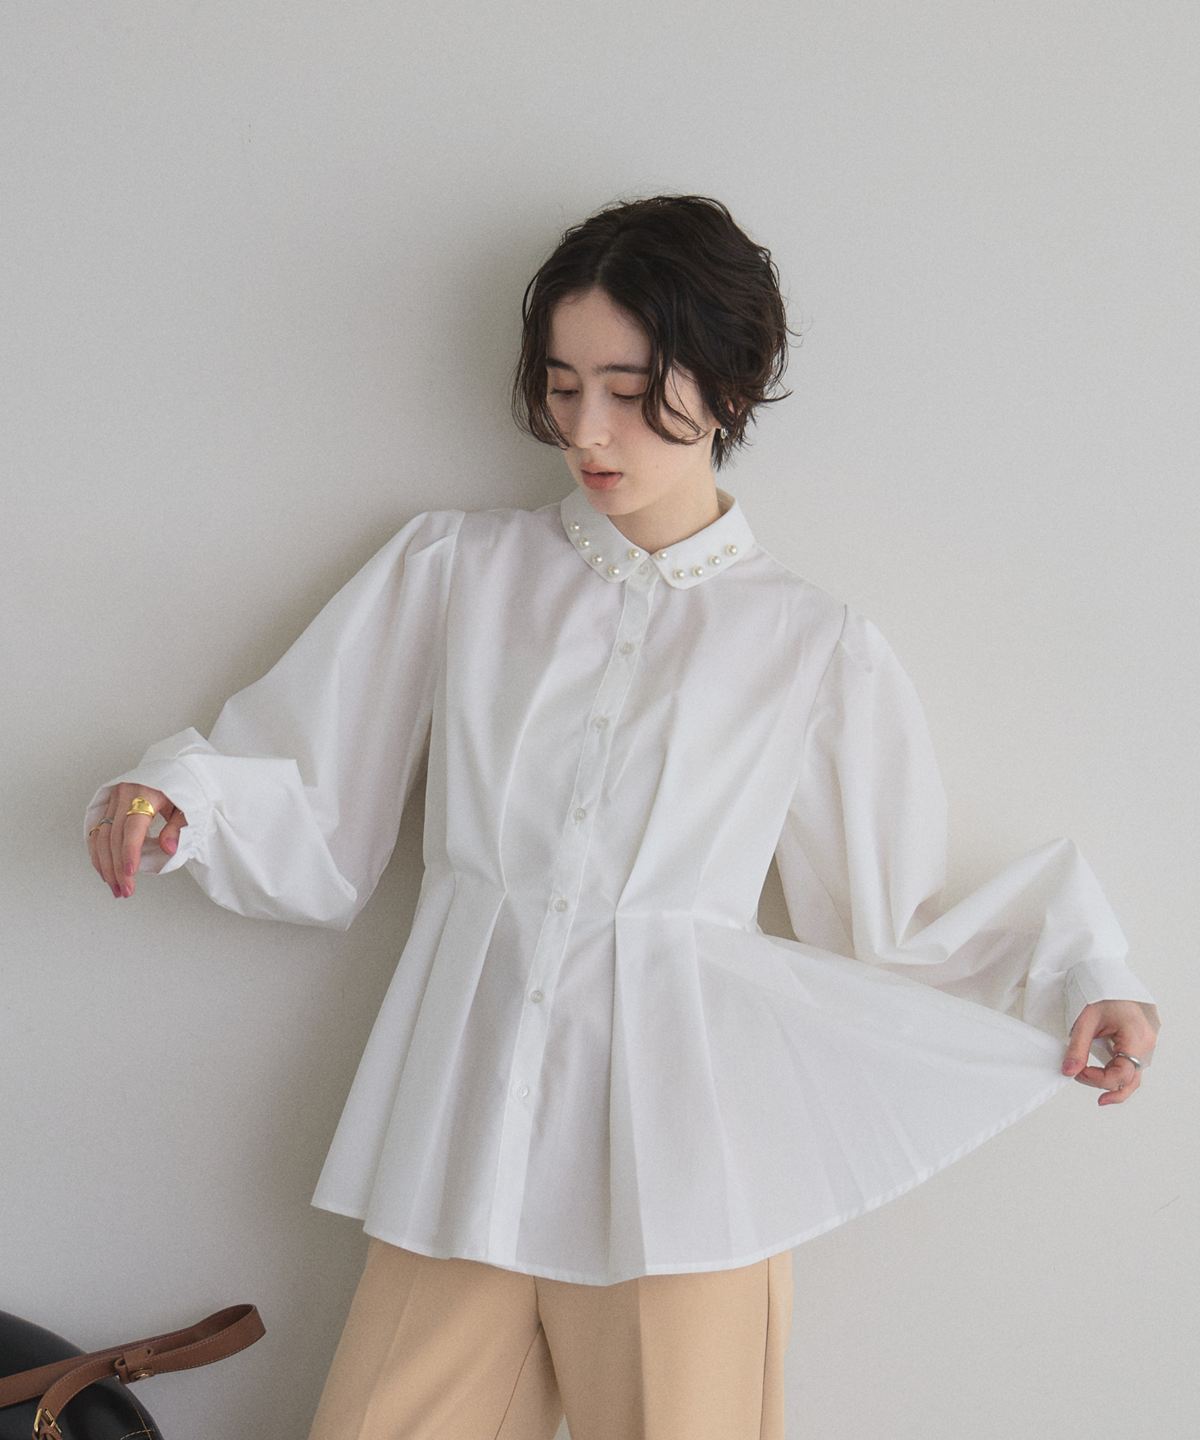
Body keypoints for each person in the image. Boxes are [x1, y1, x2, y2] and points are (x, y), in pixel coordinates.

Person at [85, 194, 1161, 1440]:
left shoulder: (811, 645)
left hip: (686, 1171)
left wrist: (1077, 972)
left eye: (631, 390)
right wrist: (189, 799)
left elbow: (888, 921)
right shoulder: (459, 569)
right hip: (463, 1142)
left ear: (730, 383)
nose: (586, 430)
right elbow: (317, 786)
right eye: (562, 387)